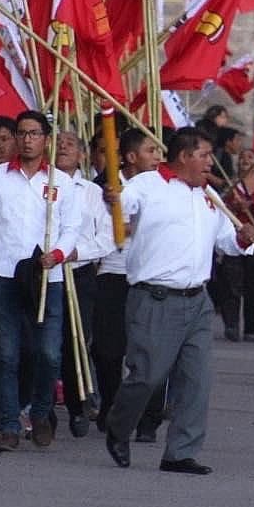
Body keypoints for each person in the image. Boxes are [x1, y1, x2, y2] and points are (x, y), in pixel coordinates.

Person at [103, 127, 254, 474]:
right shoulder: (148, 184)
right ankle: (118, 425)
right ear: (185, 156)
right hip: (154, 298)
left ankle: (180, 452)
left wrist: (243, 240)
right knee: (147, 376)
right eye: (204, 155)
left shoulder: (209, 196)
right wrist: (113, 196)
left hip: (198, 300)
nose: (210, 163)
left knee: (197, 380)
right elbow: (122, 202)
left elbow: (226, 244)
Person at [0, 111, 81, 451]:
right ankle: (9, 424)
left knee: (47, 353)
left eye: (34, 133)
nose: (27, 139)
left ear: (46, 139)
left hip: (48, 276)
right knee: (6, 354)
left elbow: (72, 227)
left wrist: (58, 253)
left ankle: (42, 412)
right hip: (3, 274)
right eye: (22, 133)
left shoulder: (63, 182)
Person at [91, 127, 165, 440]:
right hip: (113, 273)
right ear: (131, 157)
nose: (158, 158)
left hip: (150, 277)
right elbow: (100, 229)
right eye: (151, 151)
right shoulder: (105, 187)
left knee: (151, 351)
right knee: (108, 351)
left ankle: (149, 418)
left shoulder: (164, 188)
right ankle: (111, 404)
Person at [55, 131, 115, 438]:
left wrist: (78, 251)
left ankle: (80, 404)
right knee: (48, 345)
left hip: (79, 273)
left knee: (79, 339)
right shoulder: (41, 186)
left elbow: (107, 237)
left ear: (82, 155)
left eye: (70, 143)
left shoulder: (92, 192)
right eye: (58, 143)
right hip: (46, 274)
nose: (63, 147)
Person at [220, 148, 254, 342]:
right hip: (234, 239)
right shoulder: (230, 185)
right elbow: (219, 208)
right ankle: (232, 325)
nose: (244, 160)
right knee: (231, 283)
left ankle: (251, 327)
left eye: (250, 157)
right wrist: (234, 207)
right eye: (241, 157)